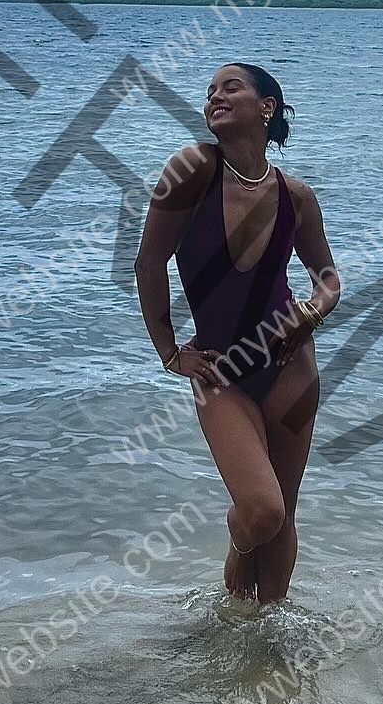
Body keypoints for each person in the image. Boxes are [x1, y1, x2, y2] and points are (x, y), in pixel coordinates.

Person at [134, 63, 340, 603]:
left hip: (291, 367)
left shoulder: (296, 197)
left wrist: (311, 312)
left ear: (266, 106)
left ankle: (260, 634)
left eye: (231, 87)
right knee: (261, 510)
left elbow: (328, 280)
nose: (214, 98)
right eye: (209, 92)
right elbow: (148, 264)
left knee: (284, 513)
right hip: (220, 369)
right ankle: (240, 543)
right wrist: (169, 354)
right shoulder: (192, 170)